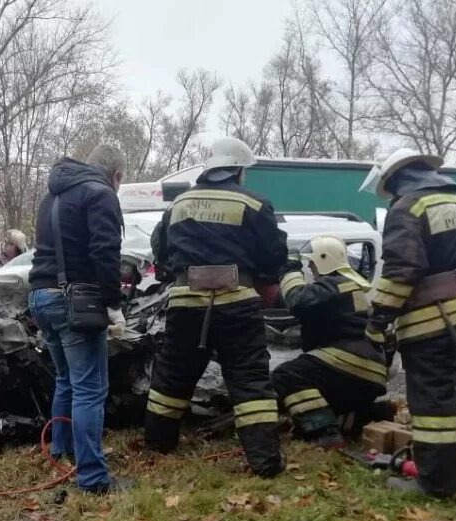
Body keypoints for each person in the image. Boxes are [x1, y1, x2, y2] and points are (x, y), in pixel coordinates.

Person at [145, 137, 288, 478]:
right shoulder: (254, 204)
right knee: (250, 380)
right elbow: (274, 256)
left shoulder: (178, 204)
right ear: (238, 170)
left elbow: (159, 247)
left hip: (186, 303)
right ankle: (264, 460)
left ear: (208, 169)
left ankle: (158, 443)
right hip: (238, 304)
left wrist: (174, 271)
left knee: (173, 375)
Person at [360, 149, 456, 498]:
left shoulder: (407, 208)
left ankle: (439, 484)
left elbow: (401, 272)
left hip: (433, 320)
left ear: (396, 179)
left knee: (433, 402)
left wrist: (378, 320)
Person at [28, 145, 130, 494]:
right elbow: (105, 251)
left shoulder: (51, 197)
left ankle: (62, 451)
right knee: (90, 389)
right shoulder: (99, 193)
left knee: (66, 380)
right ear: (115, 175)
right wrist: (113, 302)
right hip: (75, 300)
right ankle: (93, 478)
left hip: (41, 296)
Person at [273, 236, 389, 448]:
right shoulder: (355, 287)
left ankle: (323, 432)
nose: (310, 266)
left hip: (348, 363)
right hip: (370, 371)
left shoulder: (334, 285)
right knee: (318, 391)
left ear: (323, 260)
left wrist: (290, 269)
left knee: (287, 376)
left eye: (312, 262)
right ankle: (367, 415)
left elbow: (296, 300)